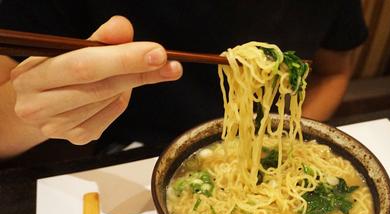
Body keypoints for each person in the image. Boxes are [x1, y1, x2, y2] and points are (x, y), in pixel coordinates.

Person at [0, 1, 368, 160]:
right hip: (125, 161)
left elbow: (332, 73)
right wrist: (34, 113)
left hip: (267, 143)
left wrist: (280, 147)